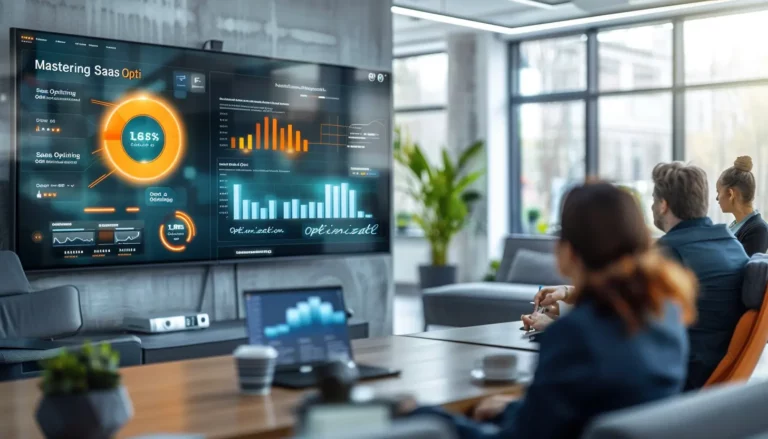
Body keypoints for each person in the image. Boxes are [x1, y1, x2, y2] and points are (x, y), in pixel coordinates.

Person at [404, 182, 697, 439]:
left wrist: (424, 415)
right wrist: (517, 408)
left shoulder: (575, 335)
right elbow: (590, 405)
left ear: (568, 252)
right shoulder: (667, 315)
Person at [532, 162, 749, 390]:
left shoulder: (668, 255)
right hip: (711, 381)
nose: (652, 207)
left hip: (678, 380)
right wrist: (567, 294)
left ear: (663, 205)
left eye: (654, 200)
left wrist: (554, 327)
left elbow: (622, 327)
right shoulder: (732, 246)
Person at [717, 156, 768, 256]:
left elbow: (746, 269)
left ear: (730, 194)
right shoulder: (737, 225)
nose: (717, 198)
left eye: (718, 192)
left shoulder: (759, 229)